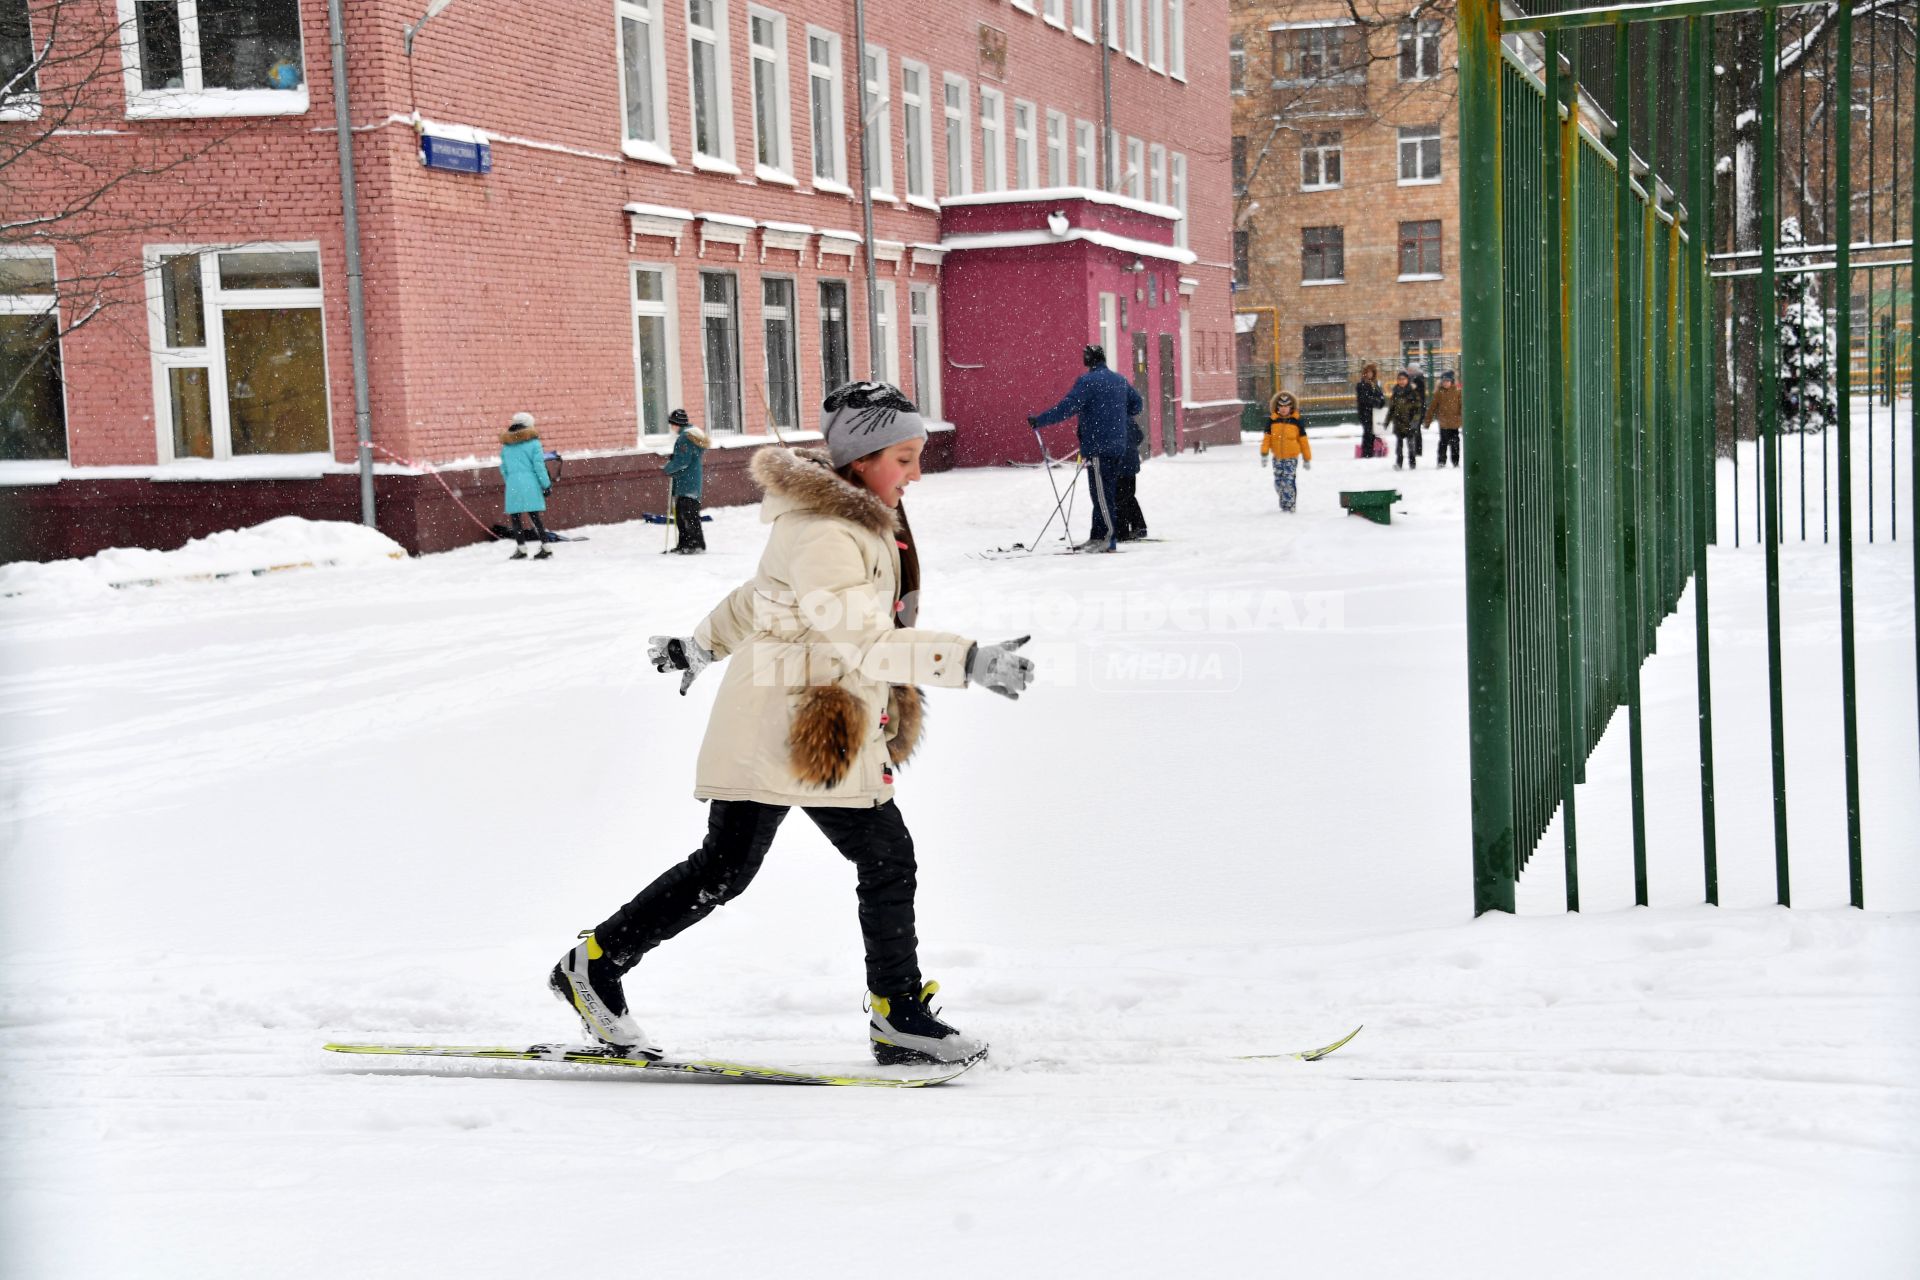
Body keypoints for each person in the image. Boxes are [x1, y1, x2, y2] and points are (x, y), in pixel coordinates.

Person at [549, 381, 1035, 1067]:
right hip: (783, 726)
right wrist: (967, 660)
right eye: (904, 456)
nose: (916, 473)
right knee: (813, 861)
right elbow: (862, 640)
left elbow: (760, 599)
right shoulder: (827, 534)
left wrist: (700, 645)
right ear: (861, 459)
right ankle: (895, 1015)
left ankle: (595, 966)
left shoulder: (842, 522)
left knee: (758, 865)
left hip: (812, 722)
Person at [1028, 344, 1143, 552]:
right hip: (1118, 446)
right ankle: (1097, 535)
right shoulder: (1119, 380)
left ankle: (1108, 537)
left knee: (1102, 494)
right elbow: (1137, 404)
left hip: (1099, 446)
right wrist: (1114, 413)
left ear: (1089, 359)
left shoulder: (1088, 382)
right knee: (1101, 492)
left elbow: (1067, 407)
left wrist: (1040, 420)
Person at [498, 411, 554, 559]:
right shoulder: (534, 443)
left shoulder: (506, 446)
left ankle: (521, 548)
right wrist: (546, 484)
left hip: (513, 484)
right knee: (534, 517)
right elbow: (539, 466)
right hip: (530, 482)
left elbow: (503, 469)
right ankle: (546, 547)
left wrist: (511, 481)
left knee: (515, 517)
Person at [662, 408, 710, 553]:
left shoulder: (685, 438)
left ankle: (694, 544)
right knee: (684, 515)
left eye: (672, 424)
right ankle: (685, 544)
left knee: (687, 515)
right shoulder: (689, 436)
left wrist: (668, 468)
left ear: (677, 423)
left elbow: (683, 461)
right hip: (689, 481)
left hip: (687, 482)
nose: (671, 427)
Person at [1260, 390, 1312, 513]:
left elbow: (1303, 441)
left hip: (1291, 458)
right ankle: (1284, 503)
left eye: (1286, 406)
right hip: (1277, 458)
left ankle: (1290, 505)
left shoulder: (1297, 421)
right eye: (1281, 406)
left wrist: (1306, 458)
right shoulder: (1272, 421)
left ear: (1291, 407)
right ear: (1277, 407)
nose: (1283, 409)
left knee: (1288, 481)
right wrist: (1264, 454)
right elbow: (1267, 439)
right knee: (1279, 482)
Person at [1113, 416, 1150, 541]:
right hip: (1131, 463)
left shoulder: (1110, 419)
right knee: (1129, 496)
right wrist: (1130, 446)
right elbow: (1140, 436)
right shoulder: (1127, 418)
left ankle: (1122, 531)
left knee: (1119, 498)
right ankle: (1139, 526)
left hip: (1118, 463)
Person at [1387, 371, 1424, 470]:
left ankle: (1412, 463)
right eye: (1399, 379)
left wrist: (1415, 421)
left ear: (1407, 380)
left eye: (1403, 379)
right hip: (1398, 422)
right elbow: (1392, 408)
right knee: (1399, 446)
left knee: (1411, 445)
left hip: (1410, 422)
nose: (1402, 381)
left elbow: (1418, 409)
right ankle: (1399, 463)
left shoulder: (1413, 392)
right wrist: (1387, 421)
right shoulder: (1395, 392)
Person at [1429, 371, 1463, 469]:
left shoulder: (1457, 392)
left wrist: (1461, 419)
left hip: (1454, 423)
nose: (1445, 383)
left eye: (1447, 381)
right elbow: (1433, 407)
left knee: (1455, 443)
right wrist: (1428, 420)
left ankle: (1455, 461)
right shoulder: (1439, 393)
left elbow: (1461, 406)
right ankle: (1441, 461)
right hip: (1443, 423)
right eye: (1444, 381)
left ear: (1451, 381)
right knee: (1443, 443)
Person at [1354, 364, 1386, 459]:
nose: (1369, 374)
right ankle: (1367, 453)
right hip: (1365, 413)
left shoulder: (1376, 385)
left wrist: (1379, 402)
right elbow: (1364, 399)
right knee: (1368, 432)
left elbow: (1381, 398)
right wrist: (1375, 401)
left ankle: (1371, 451)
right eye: (1368, 372)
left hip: (1375, 414)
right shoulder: (1361, 385)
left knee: (1373, 432)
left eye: (1371, 372)